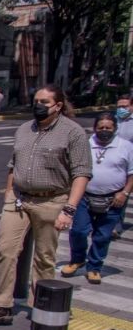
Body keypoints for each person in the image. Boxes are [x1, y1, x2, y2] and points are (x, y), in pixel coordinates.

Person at [0, 85, 92, 325]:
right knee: (5, 249)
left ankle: (40, 303)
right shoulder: (23, 130)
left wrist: (69, 209)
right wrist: (9, 194)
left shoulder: (73, 133)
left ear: (58, 106)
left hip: (52, 199)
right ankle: (3, 305)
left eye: (44, 102)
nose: (37, 106)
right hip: (19, 198)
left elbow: (82, 173)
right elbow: (13, 164)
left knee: (44, 257)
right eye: (36, 101)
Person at [61, 113, 133, 284]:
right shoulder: (85, 144)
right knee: (78, 231)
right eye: (101, 128)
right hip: (84, 197)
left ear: (114, 129)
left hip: (113, 199)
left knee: (102, 235)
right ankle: (77, 259)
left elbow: (131, 173)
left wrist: (125, 193)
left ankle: (94, 267)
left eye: (108, 128)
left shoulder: (126, 146)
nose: (104, 131)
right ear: (95, 128)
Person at [113, 93, 132, 240]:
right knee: (115, 192)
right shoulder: (112, 120)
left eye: (124, 106)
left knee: (123, 193)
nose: (121, 109)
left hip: (129, 163)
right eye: (119, 106)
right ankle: (112, 225)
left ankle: (116, 225)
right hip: (113, 161)